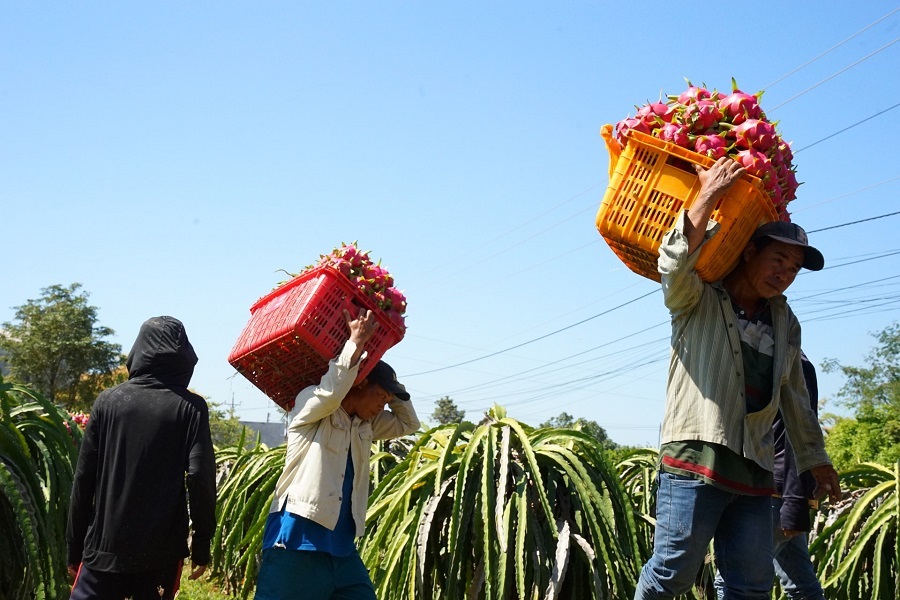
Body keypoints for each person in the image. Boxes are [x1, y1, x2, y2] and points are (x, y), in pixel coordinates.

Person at [633, 157, 841, 600]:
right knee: (672, 574)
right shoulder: (700, 298)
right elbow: (673, 265)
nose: (783, 274)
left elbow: (795, 400)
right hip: (696, 455)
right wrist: (706, 194)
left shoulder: (785, 320)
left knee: (750, 585)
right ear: (749, 253)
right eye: (777, 260)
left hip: (755, 470)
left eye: (792, 269)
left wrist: (815, 461)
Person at [253, 308, 420, 600]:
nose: (383, 406)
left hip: (341, 547)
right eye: (382, 397)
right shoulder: (312, 408)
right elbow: (332, 393)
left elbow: (409, 424)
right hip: (297, 540)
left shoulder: (365, 425)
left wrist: (394, 386)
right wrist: (355, 344)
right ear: (361, 383)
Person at [67, 316, 217, 600]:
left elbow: (84, 479)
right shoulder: (191, 408)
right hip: (159, 555)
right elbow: (200, 477)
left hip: (103, 550)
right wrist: (201, 545)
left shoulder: (108, 402)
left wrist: (74, 549)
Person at [714, 352, 827, 600]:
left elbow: (793, 434)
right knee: (801, 585)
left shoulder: (790, 363)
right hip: (778, 490)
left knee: (734, 579)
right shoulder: (782, 360)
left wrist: (794, 503)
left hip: (774, 492)